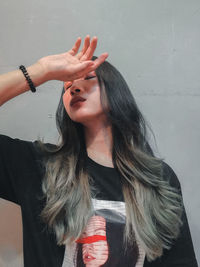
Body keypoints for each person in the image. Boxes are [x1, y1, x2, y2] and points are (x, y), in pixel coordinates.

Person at [0, 35, 198, 267]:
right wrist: (41, 71)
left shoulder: (157, 178)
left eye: (88, 78)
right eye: (66, 85)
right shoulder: (40, 166)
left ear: (115, 91)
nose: (74, 87)